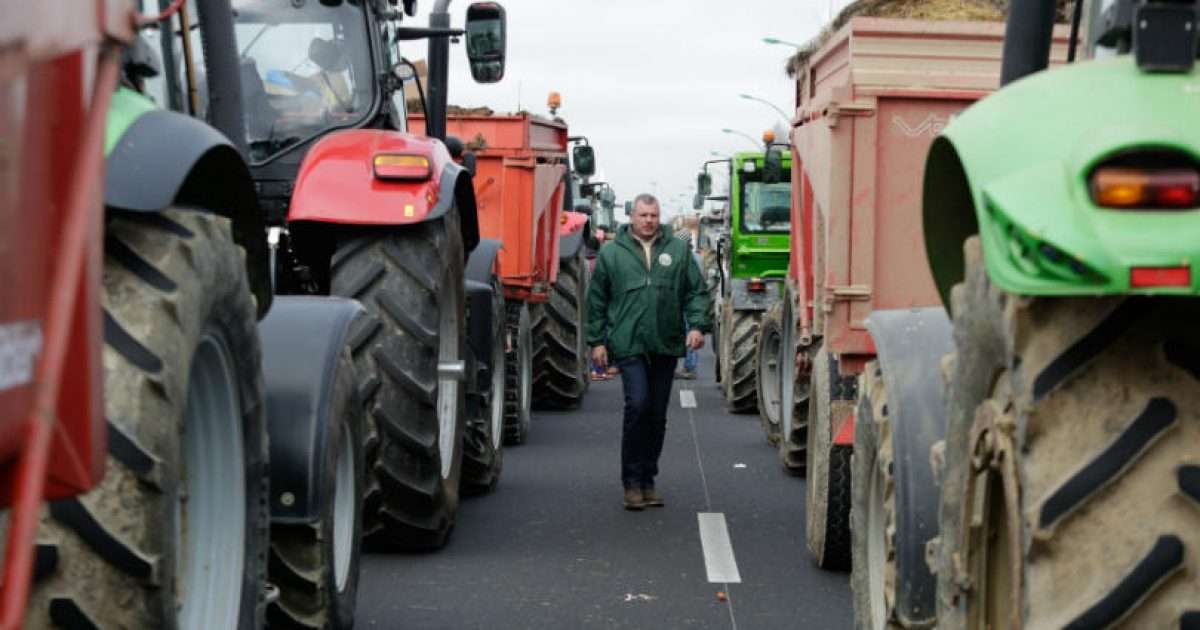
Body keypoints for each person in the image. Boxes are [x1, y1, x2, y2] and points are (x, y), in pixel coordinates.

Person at [587, 194, 711, 510]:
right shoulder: (612, 253)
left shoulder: (678, 251)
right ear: (632, 217)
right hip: (627, 343)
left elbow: (696, 292)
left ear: (660, 217)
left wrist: (696, 326)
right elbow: (597, 300)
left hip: (664, 342)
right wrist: (597, 341)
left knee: (656, 414)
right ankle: (631, 482)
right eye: (643, 215)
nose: (649, 221)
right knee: (638, 405)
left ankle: (648, 479)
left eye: (654, 215)